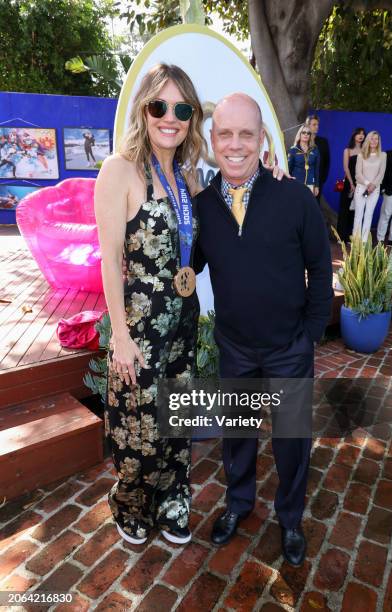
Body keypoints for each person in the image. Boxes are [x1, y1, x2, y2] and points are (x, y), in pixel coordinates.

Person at [194, 93, 333, 567]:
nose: (235, 144)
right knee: (238, 436)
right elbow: (184, 265)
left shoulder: (292, 195)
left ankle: (290, 519)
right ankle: (238, 504)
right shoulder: (201, 208)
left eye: (246, 134)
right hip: (234, 346)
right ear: (212, 141)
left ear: (263, 140)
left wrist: (312, 330)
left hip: (289, 347)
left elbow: (319, 263)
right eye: (225, 134)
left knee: (293, 440)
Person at [94, 63, 205, 546]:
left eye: (182, 109)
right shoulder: (119, 170)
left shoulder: (187, 176)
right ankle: (133, 500)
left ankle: (174, 495)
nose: (170, 117)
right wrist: (119, 334)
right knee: (139, 423)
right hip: (139, 326)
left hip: (183, 318)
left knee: (176, 415)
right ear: (144, 108)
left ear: (190, 118)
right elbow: (110, 261)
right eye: (160, 105)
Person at [352, 130, 386, 242]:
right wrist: (368, 184)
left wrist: (373, 186)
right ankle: (356, 243)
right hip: (361, 188)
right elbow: (358, 174)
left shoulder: (383, 155)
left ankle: (364, 242)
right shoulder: (361, 155)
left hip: (375, 190)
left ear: (379, 141)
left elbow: (381, 173)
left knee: (368, 215)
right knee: (358, 215)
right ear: (368, 140)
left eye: (376, 139)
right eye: (372, 138)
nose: (374, 141)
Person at [336, 127, 366, 242]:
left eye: (363, 134)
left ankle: (350, 236)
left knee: (356, 209)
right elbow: (346, 168)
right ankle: (340, 236)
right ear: (354, 135)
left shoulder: (365, 150)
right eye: (359, 133)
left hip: (362, 183)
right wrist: (352, 184)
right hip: (349, 183)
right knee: (345, 209)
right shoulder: (347, 150)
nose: (361, 135)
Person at [287, 124, 320, 196]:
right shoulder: (293, 150)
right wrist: (288, 184)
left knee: (307, 206)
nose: (306, 135)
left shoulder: (315, 150)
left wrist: (317, 185)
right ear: (300, 134)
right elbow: (288, 169)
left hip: (310, 184)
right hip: (296, 184)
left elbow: (316, 169)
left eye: (308, 133)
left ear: (310, 136)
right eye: (303, 132)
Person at [305, 114, 330, 202]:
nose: (317, 127)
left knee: (315, 204)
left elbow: (327, 162)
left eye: (317, 124)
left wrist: (322, 179)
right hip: (303, 179)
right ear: (308, 125)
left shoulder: (323, 142)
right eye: (314, 124)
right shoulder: (303, 141)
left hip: (318, 181)